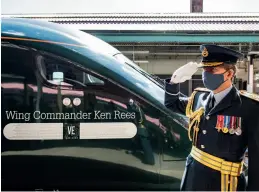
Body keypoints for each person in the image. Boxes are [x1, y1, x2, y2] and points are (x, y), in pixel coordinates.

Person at [164, 44, 259, 191]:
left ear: (229, 74)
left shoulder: (250, 107)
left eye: (212, 69)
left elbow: (256, 160)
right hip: (193, 178)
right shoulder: (199, 98)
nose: (206, 74)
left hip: (223, 184)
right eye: (205, 69)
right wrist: (174, 82)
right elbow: (172, 104)